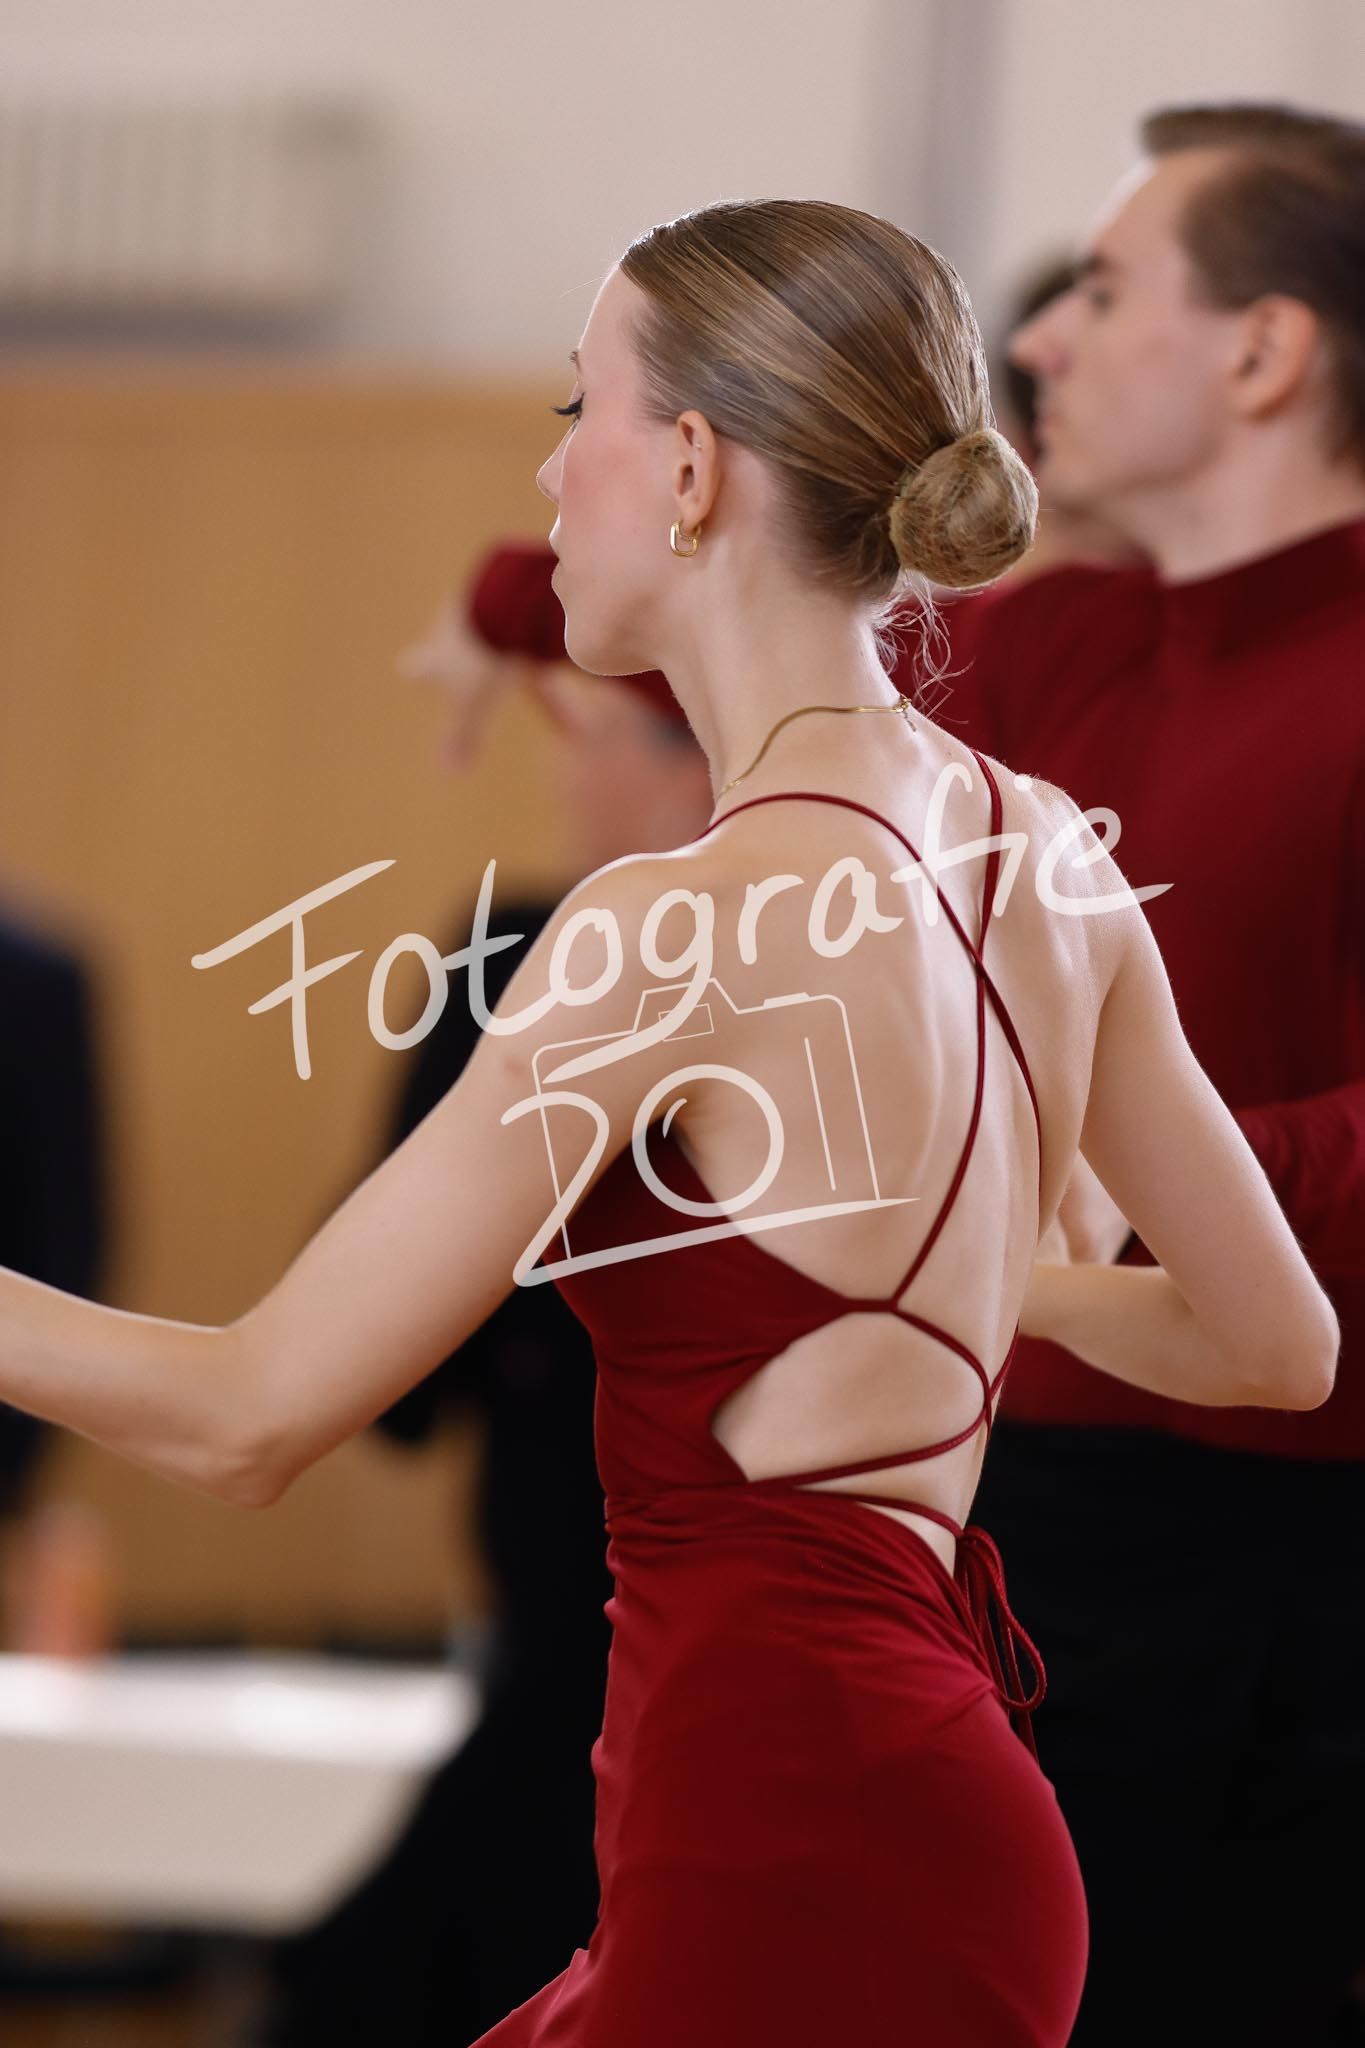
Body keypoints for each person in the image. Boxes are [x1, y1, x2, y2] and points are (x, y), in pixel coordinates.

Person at [0, 198, 1339, 2048]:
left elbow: (248, 1419)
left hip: (783, 1838)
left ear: (694, 467)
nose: (554, 473)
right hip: (935, 1825)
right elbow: (1274, 1346)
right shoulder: (1045, 851)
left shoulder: (669, 927)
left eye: (581, 410)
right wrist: (948, 1283)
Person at [936, 104, 1365, 2047]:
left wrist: (1132, 1179)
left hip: (1296, 1559)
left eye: (1104, 294)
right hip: (1024, 1505)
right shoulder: (1058, 649)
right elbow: (722, 642)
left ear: (1263, 352)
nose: (1039, 339)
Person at [259, 586, 711, 2047]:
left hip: (636, 1576)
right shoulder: (528, 944)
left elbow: (297, 1387)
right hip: (578, 1571)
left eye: (602, 741)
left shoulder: (574, 953)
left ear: (694, 767)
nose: (570, 774)